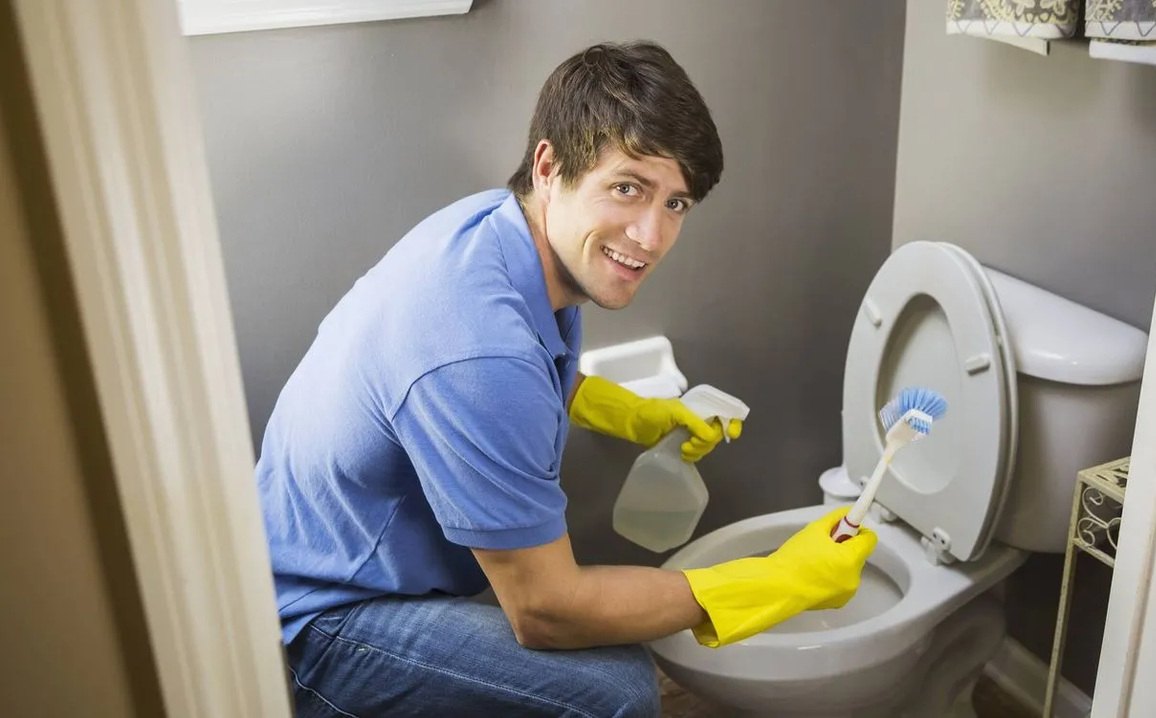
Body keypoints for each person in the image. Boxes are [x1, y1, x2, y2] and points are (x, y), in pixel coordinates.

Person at [259, 39, 878, 717]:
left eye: (676, 204)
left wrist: (632, 412)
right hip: (314, 622)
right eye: (628, 187)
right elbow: (544, 611)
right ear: (552, 166)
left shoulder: (497, 232)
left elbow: (525, 368)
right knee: (612, 692)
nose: (650, 235)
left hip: (326, 553)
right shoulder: (476, 347)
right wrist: (774, 581)